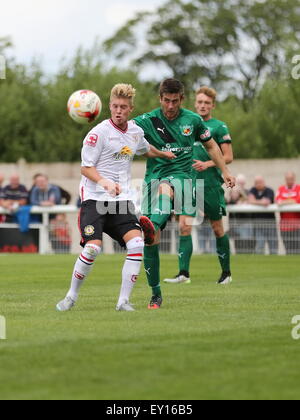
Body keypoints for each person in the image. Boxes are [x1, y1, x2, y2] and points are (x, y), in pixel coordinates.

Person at [56, 84, 176, 313]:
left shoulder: (135, 132)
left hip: (121, 202)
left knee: (137, 243)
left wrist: (163, 154)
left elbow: (145, 148)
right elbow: (86, 168)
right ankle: (71, 296)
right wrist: (105, 183)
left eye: (123, 107)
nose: (118, 110)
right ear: (109, 106)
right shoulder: (98, 133)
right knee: (92, 249)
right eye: (115, 106)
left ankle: (123, 302)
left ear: (130, 109)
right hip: (94, 199)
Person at [134, 79, 235, 309]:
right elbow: (122, 133)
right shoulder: (147, 120)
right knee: (154, 241)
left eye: (175, 101)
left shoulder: (194, 121)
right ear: (160, 99)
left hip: (185, 177)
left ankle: (224, 271)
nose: (170, 106)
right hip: (153, 177)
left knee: (169, 190)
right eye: (166, 101)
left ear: (181, 99)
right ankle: (156, 293)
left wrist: (224, 170)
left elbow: (212, 147)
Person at [164, 86, 234, 285]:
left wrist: (209, 164)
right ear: (195, 103)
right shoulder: (186, 124)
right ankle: (183, 273)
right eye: (200, 102)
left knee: (217, 228)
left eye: (207, 103)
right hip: (187, 183)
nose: (203, 106)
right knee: (184, 226)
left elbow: (228, 157)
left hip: (210, 184)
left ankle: (226, 273)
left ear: (212, 105)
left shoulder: (219, 127)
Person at [226, 174, 255, 254]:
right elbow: (228, 202)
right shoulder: (232, 194)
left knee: (245, 242)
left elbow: (249, 201)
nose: (240, 185)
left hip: (244, 224)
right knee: (233, 240)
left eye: (242, 183)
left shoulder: (247, 192)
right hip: (234, 225)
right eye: (239, 183)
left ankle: (246, 255)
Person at [248, 176, 278, 255]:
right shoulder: (252, 190)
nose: (258, 184)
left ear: (264, 182)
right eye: (256, 183)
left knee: (273, 246)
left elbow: (266, 202)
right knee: (260, 246)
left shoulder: (269, 191)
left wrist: (255, 201)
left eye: (260, 182)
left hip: (270, 223)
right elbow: (250, 200)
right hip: (258, 223)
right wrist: (260, 202)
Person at [276, 172, 300, 254]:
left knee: (297, 250)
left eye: (291, 179)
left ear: (294, 179)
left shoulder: (298, 188)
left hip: (297, 226)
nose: (289, 181)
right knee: (289, 251)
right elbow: (277, 201)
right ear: (285, 179)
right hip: (284, 226)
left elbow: (297, 200)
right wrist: (290, 201)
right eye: (288, 179)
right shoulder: (281, 189)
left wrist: (283, 202)